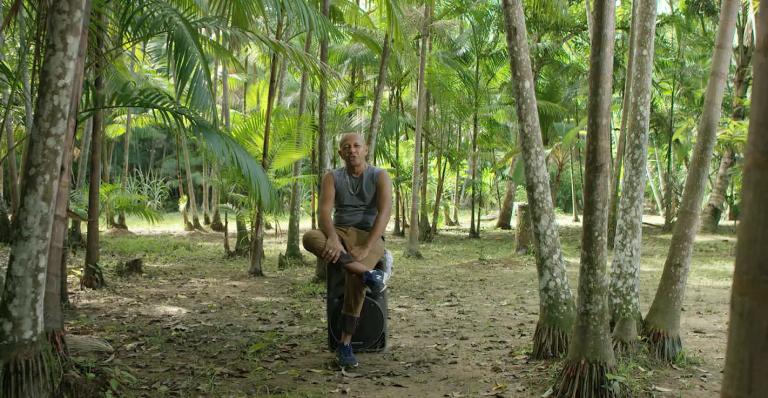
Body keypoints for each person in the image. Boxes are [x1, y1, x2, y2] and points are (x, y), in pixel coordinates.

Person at [302, 133, 392, 368]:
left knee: (353, 278)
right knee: (310, 237)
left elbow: (384, 215)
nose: (351, 150)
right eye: (346, 147)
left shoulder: (380, 176)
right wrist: (332, 238)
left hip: (368, 234)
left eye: (356, 146)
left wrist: (366, 246)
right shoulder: (332, 177)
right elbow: (324, 213)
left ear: (366, 150)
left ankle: (345, 344)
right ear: (340, 154)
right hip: (339, 231)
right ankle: (368, 274)